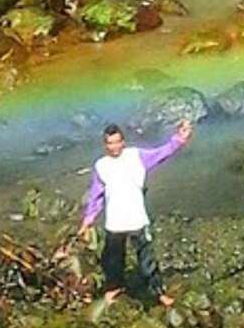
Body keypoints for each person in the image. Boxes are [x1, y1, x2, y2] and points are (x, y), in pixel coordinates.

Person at [78, 118, 193, 306]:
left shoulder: (137, 156)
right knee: (112, 259)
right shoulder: (101, 166)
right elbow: (96, 195)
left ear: (123, 141)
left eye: (117, 142)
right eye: (110, 143)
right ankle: (114, 287)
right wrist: (88, 220)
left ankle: (157, 292)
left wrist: (179, 139)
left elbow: (162, 153)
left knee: (146, 258)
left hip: (137, 218)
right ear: (105, 144)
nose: (114, 147)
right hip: (115, 221)